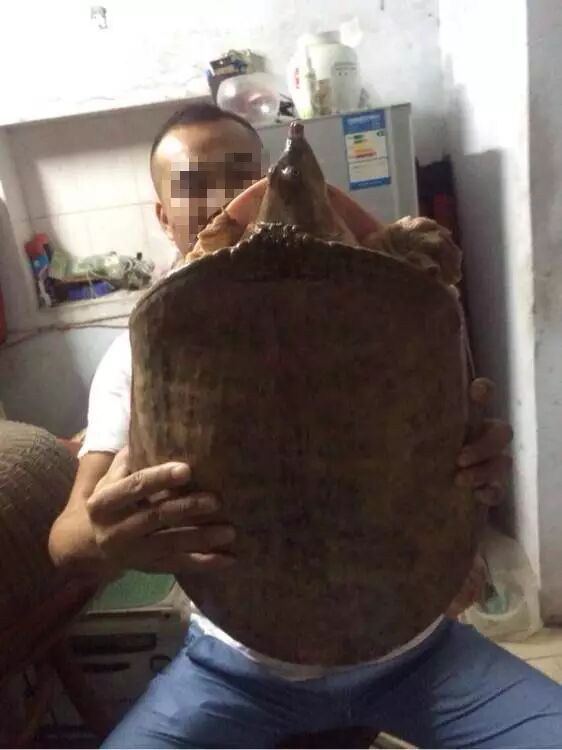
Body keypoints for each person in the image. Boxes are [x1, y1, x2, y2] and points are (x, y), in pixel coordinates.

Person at [48, 103, 562, 748]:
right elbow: (65, 541)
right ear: (162, 214)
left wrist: (473, 465)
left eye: (244, 175)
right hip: (236, 668)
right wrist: (104, 538)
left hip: (414, 652)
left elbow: (458, 447)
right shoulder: (141, 352)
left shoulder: (380, 311)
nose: (225, 198)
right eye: (194, 183)